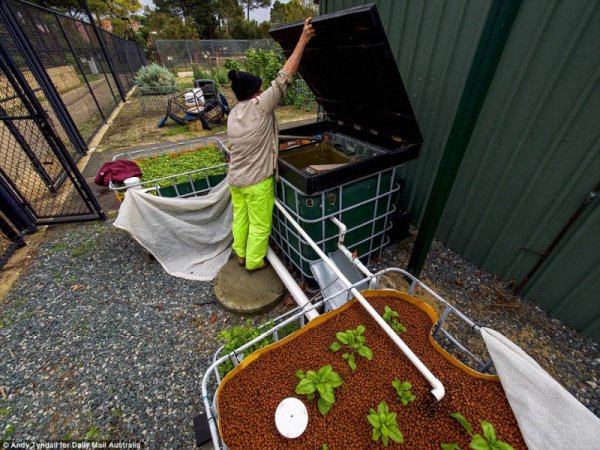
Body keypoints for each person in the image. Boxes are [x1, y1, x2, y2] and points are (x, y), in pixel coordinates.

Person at [226, 18, 315, 272]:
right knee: (260, 223)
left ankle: (241, 253)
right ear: (255, 93)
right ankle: (254, 262)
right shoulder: (261, 106)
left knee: (240, 218)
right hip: (256, 183)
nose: (265, 89)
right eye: (261, 88)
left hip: (236, 180)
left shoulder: (234, 113)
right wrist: (303, 39)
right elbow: (285, 75)